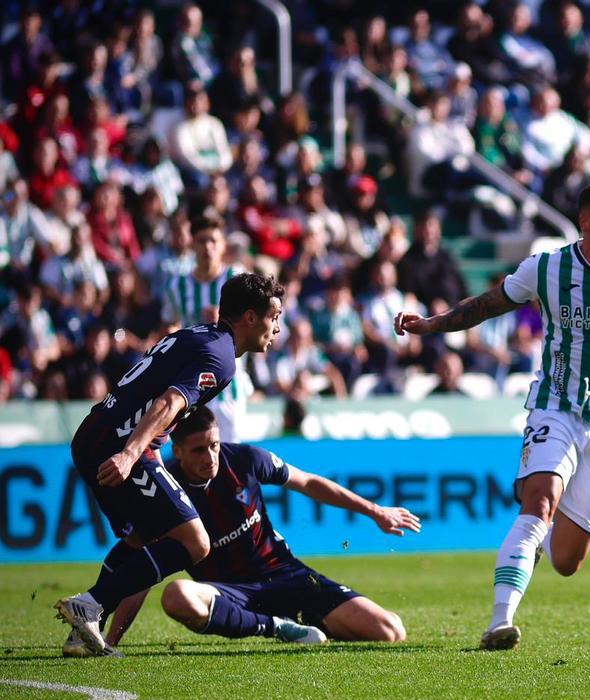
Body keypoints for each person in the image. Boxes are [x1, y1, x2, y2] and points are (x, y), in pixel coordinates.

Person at [394, 182, 590, 650]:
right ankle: (500, 620)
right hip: (555, 405)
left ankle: (536, 537)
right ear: (585, 223)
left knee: (567, 561)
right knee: (538, 503)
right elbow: (487, 304)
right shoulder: (549, 268)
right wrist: (433, 325)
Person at [55, 272, 284, 656]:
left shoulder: (198, 335)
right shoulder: (222, 357)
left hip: (96, 434)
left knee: (142, 538)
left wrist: (148, 446)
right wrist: (131, 452)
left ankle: (82, 631)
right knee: (196, 543)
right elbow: (170, 402)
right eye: (274, 316)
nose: (277, 327)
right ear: (249, 317)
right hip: (119, 444)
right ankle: (90, 603)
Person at [70, 405, 418, 655]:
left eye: (215, 445)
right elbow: (144, 574)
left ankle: (305, 622)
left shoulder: (247, 460)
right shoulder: (165, 492)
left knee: (390, 630)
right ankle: (278, 627)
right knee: (177, 596)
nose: (211, 457)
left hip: (284, 576)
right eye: (199, 450)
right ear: (176, 451)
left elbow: (308, 482)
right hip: (227, 592)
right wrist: (112, 640)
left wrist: (376, 511)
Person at [160, 212, 252, 442]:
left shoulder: (237, 279)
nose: (207, 247)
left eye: (213, 240)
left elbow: (252, 325)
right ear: (191, 244)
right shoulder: (177, 285)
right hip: (192, 386)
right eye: (202, 240)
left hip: (229, 387)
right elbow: (169, 324)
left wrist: (223, 322)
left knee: (229, 460)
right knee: (193, 460)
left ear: (223, 246)